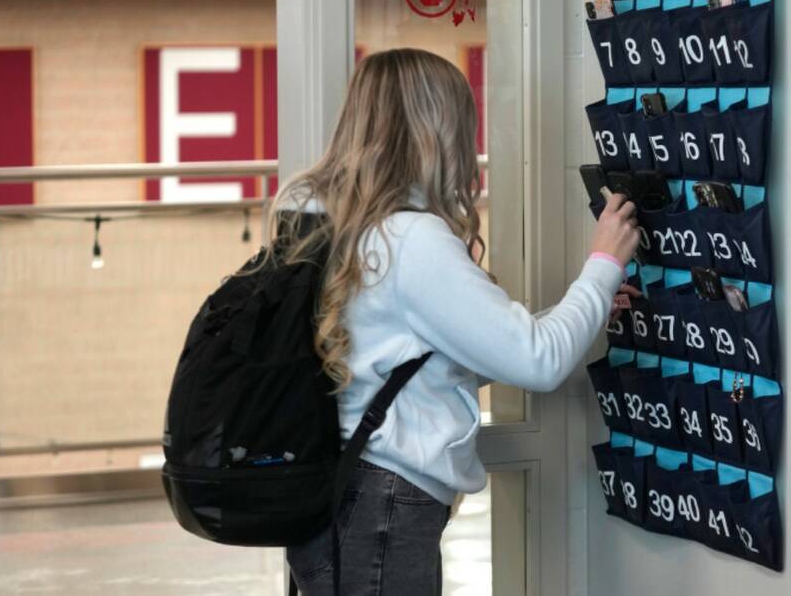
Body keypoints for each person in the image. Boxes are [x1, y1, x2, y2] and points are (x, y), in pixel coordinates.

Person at [273, 48, 640, 594]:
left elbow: (424, 357)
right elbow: (538, 361)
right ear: (435, 129)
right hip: (382, 511)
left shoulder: (334, 224)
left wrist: (581, 311)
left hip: (340, 499)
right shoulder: (411, 241)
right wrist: (604, 262)